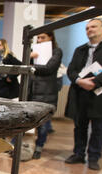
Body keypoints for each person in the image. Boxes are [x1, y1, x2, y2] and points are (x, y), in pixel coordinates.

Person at [64, 18, 102, 171]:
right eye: (87, 28)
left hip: (100, 95)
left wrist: (95, 82)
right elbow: (71, 70)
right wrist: (79, 81)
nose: (90, 30)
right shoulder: (80, 49)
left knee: (98, 128)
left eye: (94, 26)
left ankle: (94, 157)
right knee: (79, 126)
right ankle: (78, 154)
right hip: (80, 93)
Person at [28, 31, 63, 160]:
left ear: (51, 37)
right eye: (38, 38)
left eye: (43, 37)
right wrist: (29, 58)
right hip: (31, 91)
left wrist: (31, 66)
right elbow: (23, 66)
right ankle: (18, 146)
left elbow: (49, 68)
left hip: (47, 93)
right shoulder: (31, 52)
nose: (40, 40)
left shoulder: (57, 51)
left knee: (43, 125)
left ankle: (39, 147)